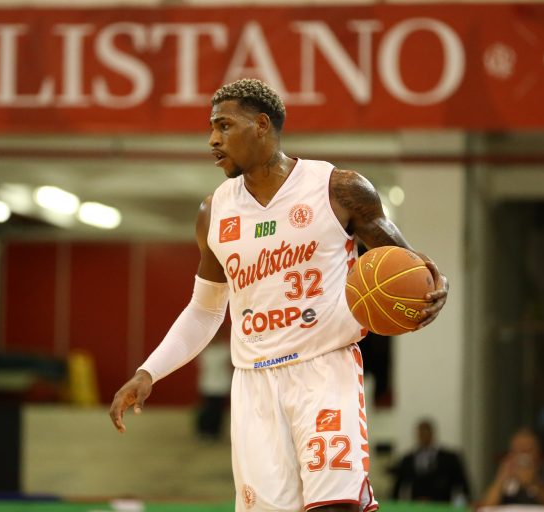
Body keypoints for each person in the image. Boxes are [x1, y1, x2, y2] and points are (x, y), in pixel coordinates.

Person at [109, 78, 448, 512]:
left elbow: (408, 266)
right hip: (254, 385)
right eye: (211, 128)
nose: (212, 140)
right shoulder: (213, 212)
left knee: (336, 505)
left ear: (262, 125)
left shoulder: (338, 189)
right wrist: (149, 372)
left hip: (324, 370)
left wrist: (433, 286)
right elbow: (205, 311)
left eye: (224, 126)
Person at [480, 427, 544, 506]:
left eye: (528, 449)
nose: (523, 454)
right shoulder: (505, 469)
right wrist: (501, 480)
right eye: (518, 449)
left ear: (537, 452)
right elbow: (486, 506)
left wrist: (534, 484)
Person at [391, 419, 470, 504]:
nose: (423, 436)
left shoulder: (449, 458)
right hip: (417, 504)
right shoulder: (408, 459)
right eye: (421, 433)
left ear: (432, 433)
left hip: (442, 503)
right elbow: (399, 485)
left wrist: (462, 504)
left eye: (426, 432)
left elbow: (461, 484)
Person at [195, 329, 232, 441]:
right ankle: (203, 430)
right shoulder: (205, 350)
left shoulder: (226, 350)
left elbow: (229, 366)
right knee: (206, 409)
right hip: (207, 383)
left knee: (218, 410)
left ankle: (215, 431)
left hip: (222, 384)